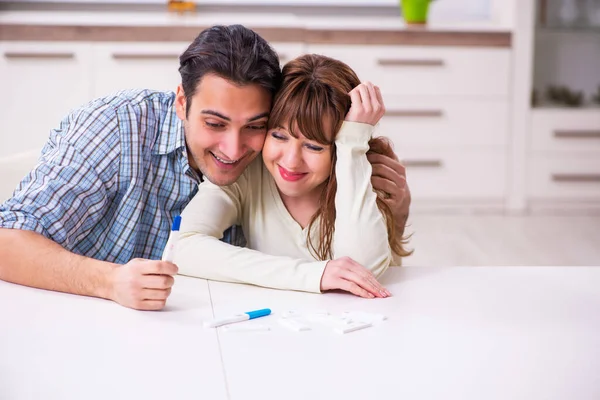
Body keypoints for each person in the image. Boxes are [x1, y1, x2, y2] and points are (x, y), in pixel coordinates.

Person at [0, 25, 411, 310]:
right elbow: (7, 243)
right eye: (214, 123)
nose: (234, 150)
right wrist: (108, 282)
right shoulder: (118, 128)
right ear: (181, 102)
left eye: (255, 126)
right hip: (69, 312)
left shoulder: (264, 165)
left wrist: (387, 207)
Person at [170, 54, 411, 299]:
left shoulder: (359, 169)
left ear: (340, 147)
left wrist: (352, 143)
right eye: (279, 136)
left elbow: (363, 271)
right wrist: (315, 275)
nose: (291, 161)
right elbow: (182, 246)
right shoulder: (250, 175)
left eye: (314, 146)